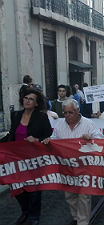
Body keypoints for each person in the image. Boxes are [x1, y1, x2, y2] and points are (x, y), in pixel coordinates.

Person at [43, 99, 104, 225]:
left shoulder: (88, 123)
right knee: (70, 196)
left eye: (70, 112)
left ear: (77, 111)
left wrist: (91, 139)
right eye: (64, 113)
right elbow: (55, 139)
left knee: (84, 196)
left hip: (85, 167)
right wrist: (49, 141)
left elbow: (101, 141)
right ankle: (76, 217)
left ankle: (83, 222)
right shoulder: (60, 124)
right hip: (67, 167)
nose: (67, 116)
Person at [5, 88, 52, 225]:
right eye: (26, 98)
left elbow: (48, 136)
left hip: (34, 159)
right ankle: (25, 211)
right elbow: (11, 135)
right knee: (18, 188)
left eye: (31, 99)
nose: (27, 100)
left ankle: (34, 216)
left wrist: (37, 140)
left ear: (36, 103)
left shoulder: (42, 117)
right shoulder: (16, 115)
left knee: (34, 189)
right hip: (16, 159)